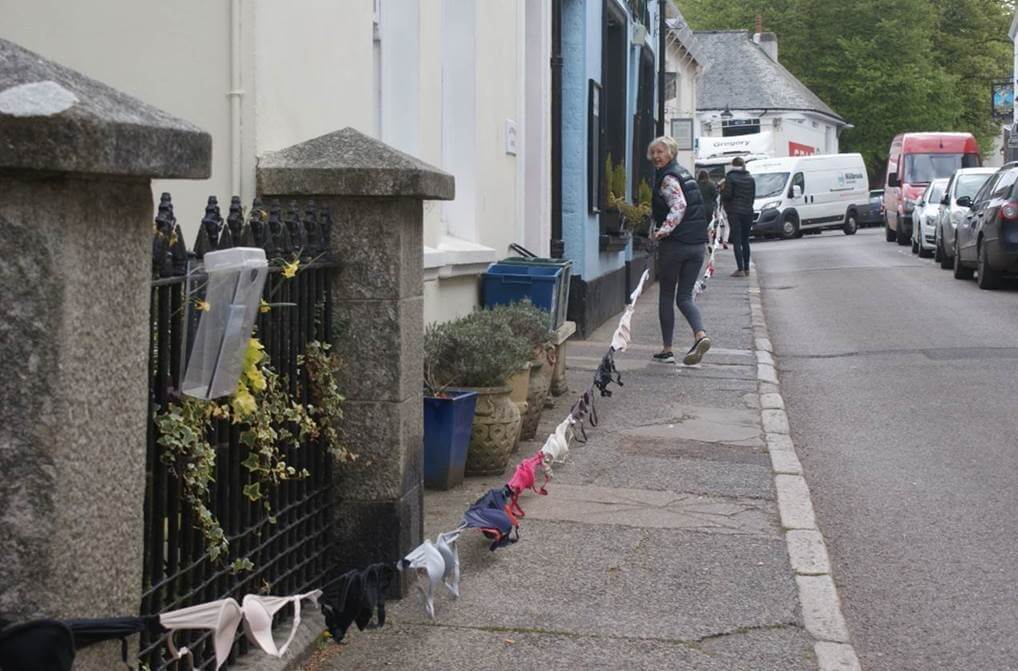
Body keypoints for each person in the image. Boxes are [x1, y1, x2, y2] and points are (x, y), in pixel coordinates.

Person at [648, 136, 712, 366]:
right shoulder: (686, 174)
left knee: (666, 295)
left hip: (676, 245)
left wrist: (661, 232)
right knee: (685, 297)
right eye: (653, 152)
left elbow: (679, 206)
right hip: (697, 245)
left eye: (661, 152)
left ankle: (667, 350)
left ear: (671, 153)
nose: (656, 156)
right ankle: (700, 335)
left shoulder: (668, 178)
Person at [721, 157, 756, 276]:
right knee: (745, 240)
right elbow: (752, 197)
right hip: (748, 211)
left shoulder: (730, 178)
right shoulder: (750, 178)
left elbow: (727, 195)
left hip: (734, 212)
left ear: (732, 165)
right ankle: (747, 268)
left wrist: (722, 191)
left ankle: (740, 269)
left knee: (736, 240)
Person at [697, 171, 727, 250]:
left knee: (700, 226)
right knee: (710, 226)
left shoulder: (696, 185)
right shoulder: (711, 184)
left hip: (699, 208)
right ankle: (710, 243)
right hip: (709, 207)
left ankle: (703, 244)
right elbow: (716, 195)